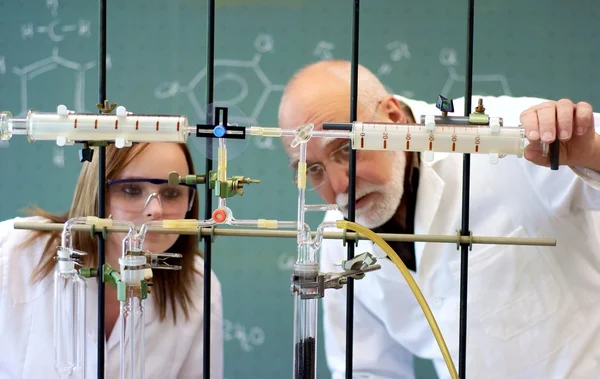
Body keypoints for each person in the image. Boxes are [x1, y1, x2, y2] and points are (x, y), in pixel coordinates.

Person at [278, 60, 600, 379]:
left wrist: (591, 153)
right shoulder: (339, 236)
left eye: (347, 149)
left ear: (392, 116)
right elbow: (368, 370)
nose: (339, 188)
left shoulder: (508, 136)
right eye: (312, 169)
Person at [0, 142, 224, 379]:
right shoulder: (11, 253)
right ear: (96, 192)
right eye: (131, 190)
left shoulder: (199, 285)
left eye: (172, 193)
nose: (155, 211)